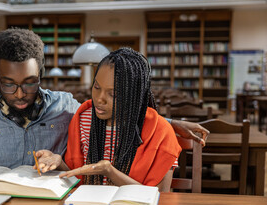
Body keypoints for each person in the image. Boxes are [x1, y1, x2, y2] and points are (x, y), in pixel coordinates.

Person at [0, 28, 208, 175]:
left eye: (29, 83)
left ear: (42, 75)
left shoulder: (65, 106)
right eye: (8, 84)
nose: (20, 93)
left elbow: (112, 112)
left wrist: (170, 122)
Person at [35, 48, 183, 192]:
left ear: (134, 97)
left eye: (113, 94)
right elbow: (79, 181)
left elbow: (161, 197)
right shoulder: (84, 120)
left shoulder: (161, 132)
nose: (99, 99)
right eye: (97, 87)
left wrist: (110, 171)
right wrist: (59, 162)